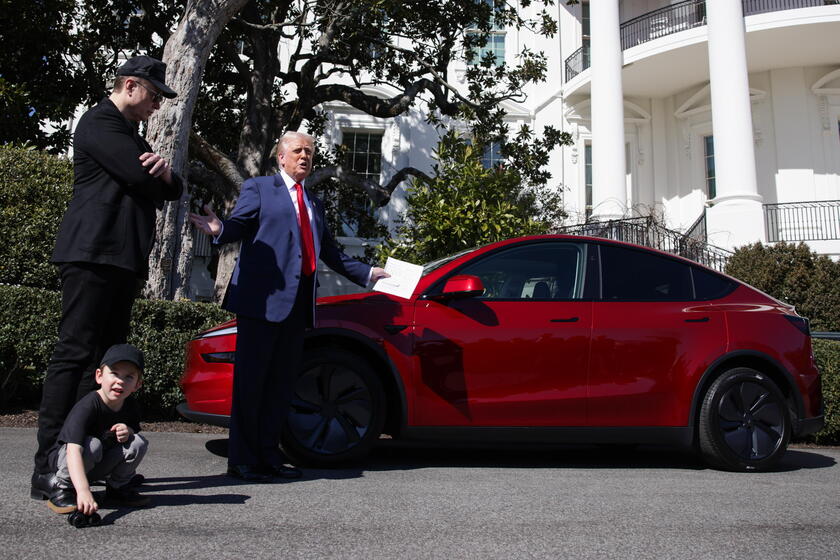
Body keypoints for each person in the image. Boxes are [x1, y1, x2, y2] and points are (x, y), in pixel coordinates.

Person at [189, 131, 389, 482]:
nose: (304, 157)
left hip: (298, 305)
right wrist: (220, 229)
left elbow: (329, 252)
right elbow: (239, 224)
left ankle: (268, 456)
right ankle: (242, 459)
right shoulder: (261, 188)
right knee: (252, 384)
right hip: (263, 303)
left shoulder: (314, 202)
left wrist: (370, 273)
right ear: (280, 157)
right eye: (297, 151)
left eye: (309, 152)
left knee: (281, 386)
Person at [31, 55, 183, 501]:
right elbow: (141, 177)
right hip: (91, 254)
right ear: (131, 86)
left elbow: (170, 188)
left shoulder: (130, 134)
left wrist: (166, 177)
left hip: (121, 259)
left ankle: (87, 462)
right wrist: (159, 179)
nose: (157, 105)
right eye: (154, 96)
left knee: (104, 361)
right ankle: (47, 467)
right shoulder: (99, 123)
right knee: (74, 355)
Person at [47, 344, 150, 515]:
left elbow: (133, 431)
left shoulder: (130, 404)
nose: (120, 380)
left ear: (137, 384)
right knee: (92, 444)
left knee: (138, 442)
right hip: (71, 462)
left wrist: (128, 430)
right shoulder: (88, 405)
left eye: (129, 377)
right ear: (99, 376)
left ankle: (117, 488)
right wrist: (84, 491)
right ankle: (63, 489)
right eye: (114, 373)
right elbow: (73, 450)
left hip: (98, 464)